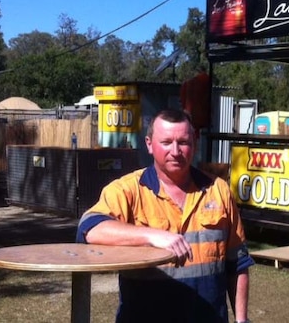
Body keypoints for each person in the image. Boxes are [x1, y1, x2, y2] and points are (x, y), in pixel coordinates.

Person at [76, 108, 253, 323]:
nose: (176, 151)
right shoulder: (129, 190)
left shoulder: (219, 190)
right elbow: (90, 228)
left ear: (194, 144)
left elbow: (238, 263)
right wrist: (151, 236)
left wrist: (241, 320)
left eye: (183, 142)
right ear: (149, 144)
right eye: (166, 142)